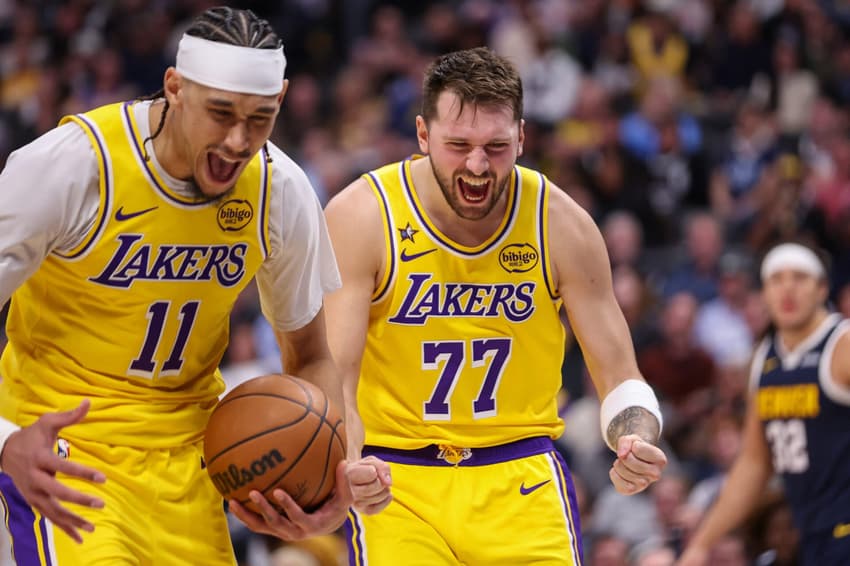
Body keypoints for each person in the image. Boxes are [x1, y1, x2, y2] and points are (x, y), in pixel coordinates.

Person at [0, 7, 351, 565]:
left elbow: (310, 357)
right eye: (220, 113)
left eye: (260, 118)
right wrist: (4, 441)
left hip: (190, 468)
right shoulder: (71, 167)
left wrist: (332, 480)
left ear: (281, 100)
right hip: (59, 448)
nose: (239, 140)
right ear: (175, 88)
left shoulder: (278, 190)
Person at [324, 47, 668, 565]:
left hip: (521, 475)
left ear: (522, 138)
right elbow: (337, 375)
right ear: (422, 136)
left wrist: (635, 437)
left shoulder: (560, 223)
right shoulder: (362, 215)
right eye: (458, 145)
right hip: (397, 479)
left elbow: (620, 372)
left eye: (497, 146)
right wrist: (348, 462)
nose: (478, 165)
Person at [678, 242, 850, 566]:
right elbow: (754, 464)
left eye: (799, 278)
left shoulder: (841, 345)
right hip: (809, 532)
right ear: (764, 294)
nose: (788, 289)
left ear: (821, 288)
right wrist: (702, 544)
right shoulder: (764, 360)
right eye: (776, 279)